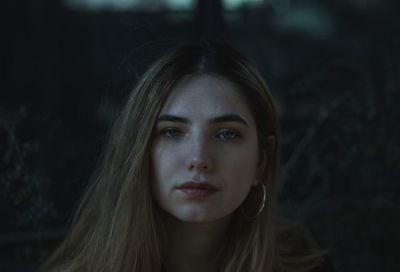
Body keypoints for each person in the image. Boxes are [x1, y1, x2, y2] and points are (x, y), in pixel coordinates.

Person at [40, 42, 329, 272]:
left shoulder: (304, 265)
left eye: (227, 134)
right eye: (172, 132)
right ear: (137, 152)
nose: (199, 159)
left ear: (260, 163)